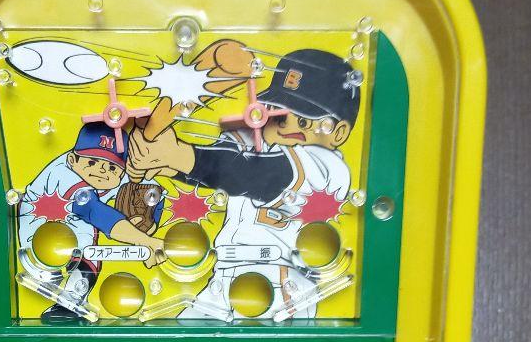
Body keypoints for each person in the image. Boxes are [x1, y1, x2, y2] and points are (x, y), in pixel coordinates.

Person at [127, 49, 359, 320]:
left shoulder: (327, 167)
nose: (283, 125)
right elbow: (220, 172)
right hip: (222, 276)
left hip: (279, 286)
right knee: (179, 336)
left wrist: (178, 155)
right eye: (276, 112)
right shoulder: (261, 149)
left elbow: (255, 174)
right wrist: (161, 162)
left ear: (338, 132)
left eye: (303, 120)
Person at [18, 122, 165, 322]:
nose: (102, 170)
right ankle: (65, 298)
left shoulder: (111, 177)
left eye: (112, 167)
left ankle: (70, 302)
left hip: (71, 227)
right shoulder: (63, 173)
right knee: (84, 240)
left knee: (87, 248)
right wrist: (144, 241)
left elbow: (156, 191)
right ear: (73, 159)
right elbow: (93, 210)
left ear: (121, 172)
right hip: (37, 228)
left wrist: (149, 227)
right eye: (93, 162)